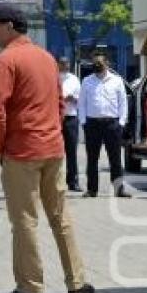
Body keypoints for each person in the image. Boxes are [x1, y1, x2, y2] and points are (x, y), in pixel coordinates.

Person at [0, 3, 94, 293]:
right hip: (53, 148)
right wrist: (52, 133)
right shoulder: (47, 58)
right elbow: (60, 104)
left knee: (24, 220)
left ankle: (30, 287)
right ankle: (77, 281)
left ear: (9, 26)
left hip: (22, 151)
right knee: (61, 218)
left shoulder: (5, 60)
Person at [78, 53, 130, 198]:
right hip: (92, 124)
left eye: (100, 65)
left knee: (115, 158)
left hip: (112, 124)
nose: (97, 67)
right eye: (95, 65)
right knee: (92, 159)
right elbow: (81, 104)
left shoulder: (117, 80)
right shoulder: (87, 81)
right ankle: (92, 189)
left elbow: (123, 103)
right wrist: (83, 122)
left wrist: (121, 123)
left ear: (107, 64)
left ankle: (119, 189)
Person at [58, 56, 82, 192]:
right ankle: (55, 181)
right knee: (54, 152)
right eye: (62, 63)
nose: (65, 65)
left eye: (67, 63)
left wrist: (73, 98)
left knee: (71, 151)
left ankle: (73, 181)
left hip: (71, 117)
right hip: (55, 118)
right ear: (58, 64)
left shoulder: (74, 79)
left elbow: (80, 98)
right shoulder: (53, 77)